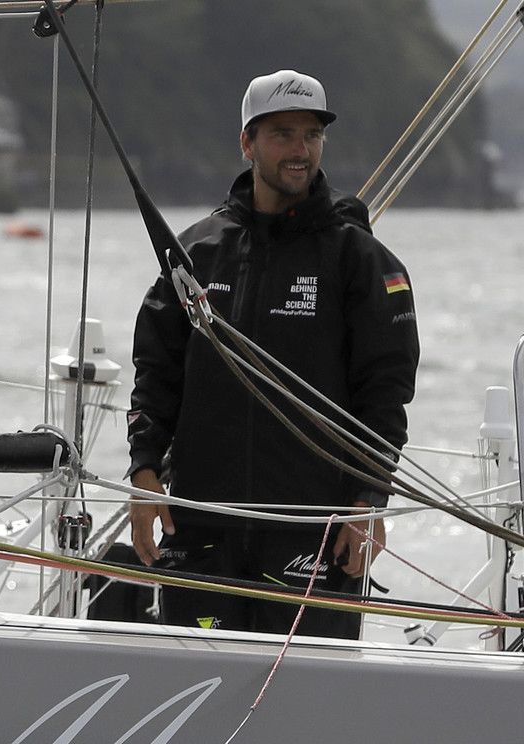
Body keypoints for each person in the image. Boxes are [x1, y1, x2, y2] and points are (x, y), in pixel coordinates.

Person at [126, 70, 420, 637]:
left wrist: (369, 499)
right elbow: (155, 375)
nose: (300, 150)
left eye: (312, 135)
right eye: (283, 134)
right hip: (201, 527)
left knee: (308, 690)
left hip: (314, 532)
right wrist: (143, 472)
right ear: (248, 142)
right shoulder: (196, 253)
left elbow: (386, 392)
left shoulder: (360, 259)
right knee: (198, 686)